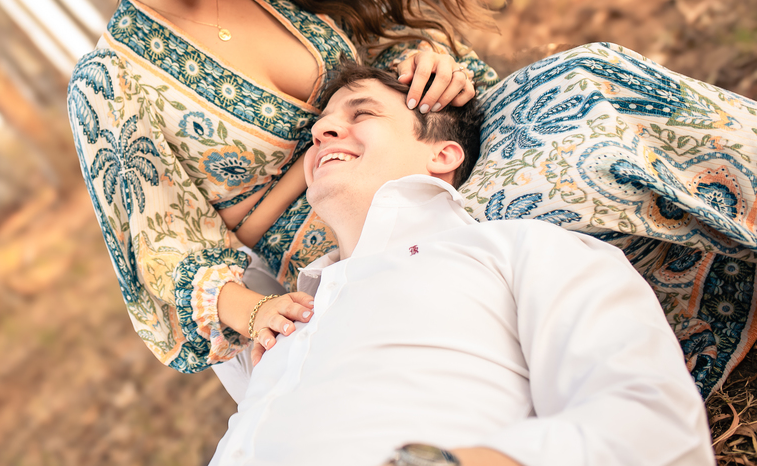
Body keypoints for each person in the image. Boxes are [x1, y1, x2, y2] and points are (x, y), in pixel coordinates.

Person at [67, 0, 757, 394]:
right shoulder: (111, 83)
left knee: (588, 78)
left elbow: (372, 59)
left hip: (429, 147)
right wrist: (253, 310)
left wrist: (429, 67)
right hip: (353, 233)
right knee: (559, 176)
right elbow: (164, 251)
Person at [209, 63, 714, 466]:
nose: (322, 131)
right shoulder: (280, 318)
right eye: (321, 127)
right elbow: (192, 251)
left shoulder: (519, 250)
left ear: (443, 155)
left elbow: (654, 425)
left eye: (362, 113)